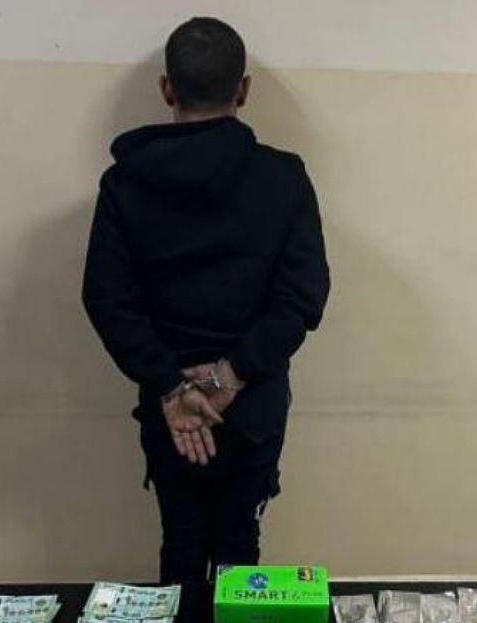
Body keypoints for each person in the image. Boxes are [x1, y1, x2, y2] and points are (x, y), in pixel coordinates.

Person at [82, 17, 330, 585]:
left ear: (167, 89)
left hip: (169, 403)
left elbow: (107, 298)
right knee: (241, 543)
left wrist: (173, 386)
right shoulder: (284, 178)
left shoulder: (124, 184)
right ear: (243, 90)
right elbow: (301, 296)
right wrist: (232, 375)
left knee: (181, 539)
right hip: (254, 396)